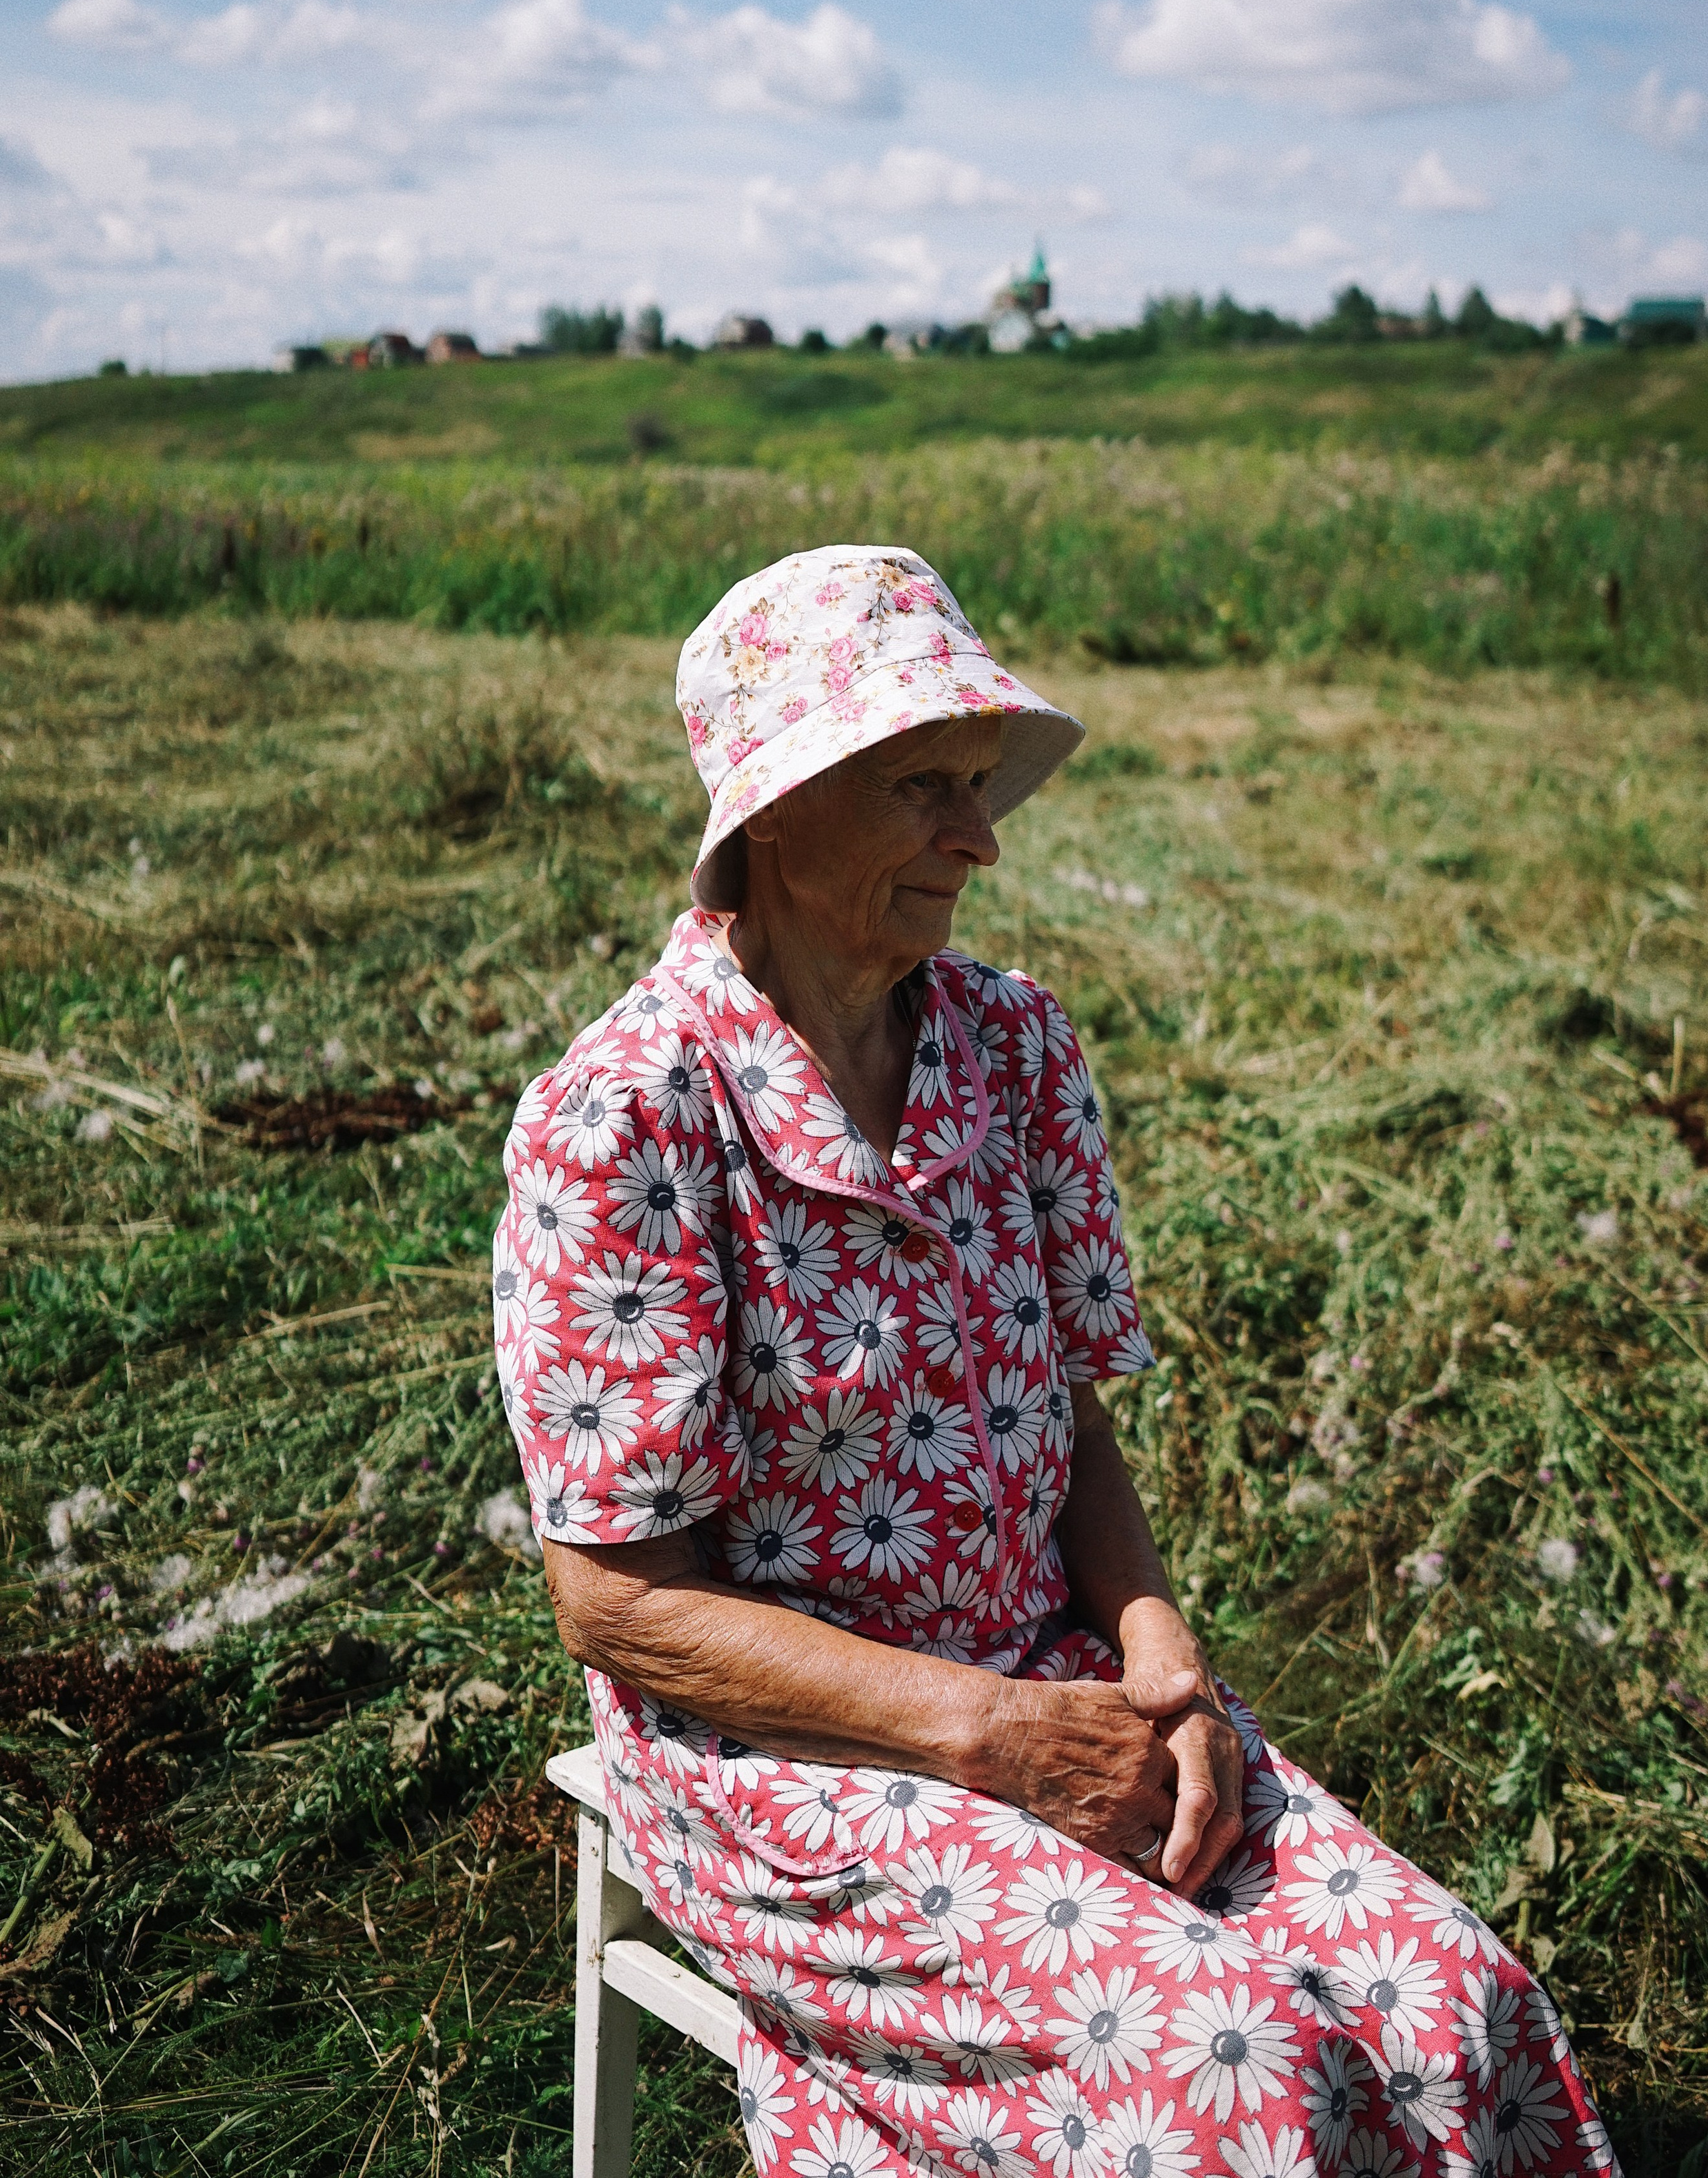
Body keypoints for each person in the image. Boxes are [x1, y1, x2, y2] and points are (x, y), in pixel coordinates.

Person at [492, 544, 1613, 2178]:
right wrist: (978, 1736)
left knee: (1451, 2012)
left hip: (1050, 1667)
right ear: (776, 810)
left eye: (976, 782)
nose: (979, 834)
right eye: (918, 788)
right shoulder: (629, 1118)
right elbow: (615, 1602)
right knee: (1234, 2072)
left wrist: (1157, 1650)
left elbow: (1058, 1404)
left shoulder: (1010, 1043)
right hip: (790, 1755)